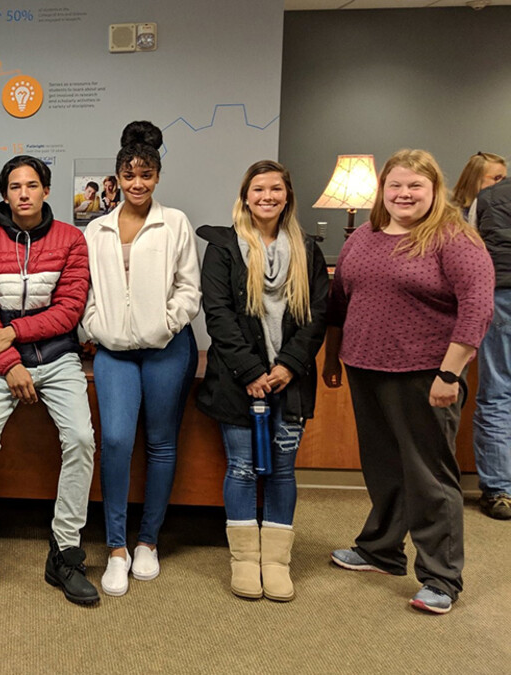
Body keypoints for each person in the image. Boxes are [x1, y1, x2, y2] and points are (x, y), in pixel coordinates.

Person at [325, 149, 494, 615]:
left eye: (415, 186)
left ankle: (441, 577)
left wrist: (449, 373)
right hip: (365, 367)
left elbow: (477, 309)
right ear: (383, 190)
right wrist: (333, 359)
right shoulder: (365, 236)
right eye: (396, 185)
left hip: (424, 373)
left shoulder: (453, 239)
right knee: (383, 467)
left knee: (429, 476)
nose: (404, 194)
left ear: (434, 190)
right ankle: (380, 549)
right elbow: (340, 301)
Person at [0, 155, 99, 607]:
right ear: (5, 193)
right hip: (1, 364)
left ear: (47, 191)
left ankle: (65, 551)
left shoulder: (72, 239)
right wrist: (10, 363)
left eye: (33, 185)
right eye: (15, 186)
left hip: (58, 357)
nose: (25, 193)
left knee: (81, 439)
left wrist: (14, 331)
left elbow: (69, 311)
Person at [196, 160, 329, 602]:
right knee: (242, 468)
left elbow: (317, 317)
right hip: (238, 381)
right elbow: (217, 314)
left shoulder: (308, 249)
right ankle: (244, 562)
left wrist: (289, 365)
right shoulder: (224, 247)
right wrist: (251, 371)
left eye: (275, 189)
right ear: (245, 195)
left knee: (282, 471)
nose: (267, 196)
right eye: (258, 189)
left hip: (290, 380)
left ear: (287, 195)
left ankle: (275, 563)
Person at [81, 121, 201, 597]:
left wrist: (165, 324)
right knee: (114, 440)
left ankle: (148, 541)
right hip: (114, 351)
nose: (137, 183)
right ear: (116, 178)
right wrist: (96, 327)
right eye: (129, 175)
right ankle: (115, 548)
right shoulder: (96, 229)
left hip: (166, 349)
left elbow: (189, 288)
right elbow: (84, 292)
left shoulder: (175, 223)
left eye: (146, 175)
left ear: (156, 177)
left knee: (161, 443)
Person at [472, 160, 511, 520]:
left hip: (500, 295)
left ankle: (500, 491)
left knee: (497, 392)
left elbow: (472, 249)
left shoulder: (489, 197)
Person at [451, 151, 505, 225]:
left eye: (504, 179)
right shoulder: (453, 217)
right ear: (476, 179)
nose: (503, 184)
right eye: (497, 178)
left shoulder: (503, 210)